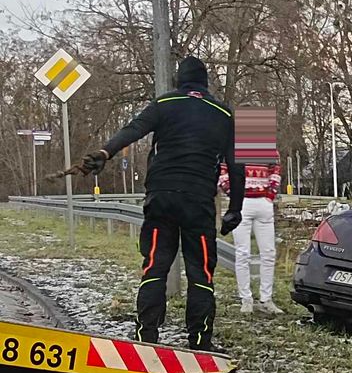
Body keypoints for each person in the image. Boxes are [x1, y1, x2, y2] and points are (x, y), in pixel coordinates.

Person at [80, 56, 244, 351]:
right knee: (201, 272)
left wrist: (105, 153)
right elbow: (237, 165)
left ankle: (146, 338)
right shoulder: (224, 114)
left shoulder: (164, 103)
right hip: (199, 202)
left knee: (155, 266)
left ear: (179, 80)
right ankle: (200, 341)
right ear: (205, 83)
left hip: (161, 198)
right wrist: (235, 208)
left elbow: (133, 130)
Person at [219, 158, 283, 314]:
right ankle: (246, 299)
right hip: (242, 204)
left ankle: (266, 299)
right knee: (242, 254)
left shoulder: (266, 144)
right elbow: (222, 172)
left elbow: (275, 169)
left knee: (268, 253)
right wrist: (234, 194)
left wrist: (270, 194)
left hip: (263, 203)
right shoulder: (232, 144)